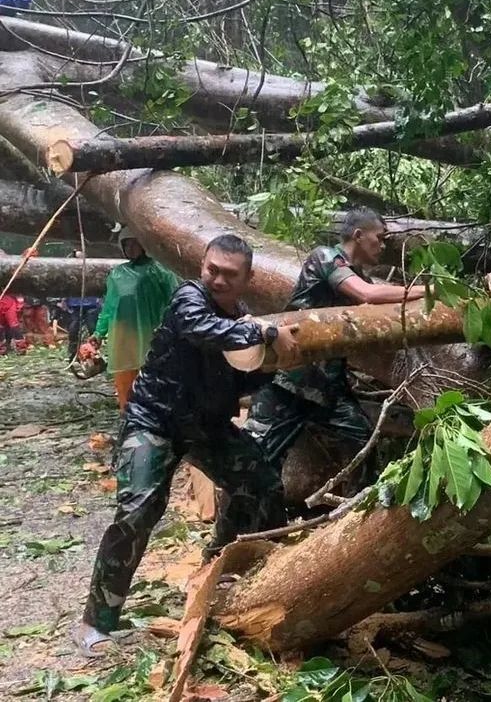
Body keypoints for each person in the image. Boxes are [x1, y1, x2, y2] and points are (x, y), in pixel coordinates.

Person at [73, 234, 299, 657]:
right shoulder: (189, 299)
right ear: (203, 267)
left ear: (247, 278)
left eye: (229, 275)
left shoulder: (242, 319)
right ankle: (96, 621)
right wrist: (266, 329)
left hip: (205, 427)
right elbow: (204, 331)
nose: (217, 279)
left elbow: (242, 377)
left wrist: (276, 363)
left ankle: (222, 565)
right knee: (139, 508)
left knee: (262, 483)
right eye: (212, 269)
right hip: (153, 420)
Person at [245, 208, 424, 479]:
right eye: (380, 237)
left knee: (362, 439)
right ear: (359, 235)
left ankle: (357, 515)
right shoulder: (326, 257)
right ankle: (242, 520)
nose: (383, 245)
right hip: (288, 381)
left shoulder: (358, 275)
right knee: (254, 458)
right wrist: (425, 290)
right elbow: (366, 294)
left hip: (326, 387)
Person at [90, 228, 178, 410]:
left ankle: (153, 416)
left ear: (144, 245)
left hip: (151, 333)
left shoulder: (161, 271)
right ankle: (128, 415)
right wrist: (98, 333)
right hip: (122, 335)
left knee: (153, 376)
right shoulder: (117, 274)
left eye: (134, 243)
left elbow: (175, 301)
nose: (130, 248)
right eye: (126, 244)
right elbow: (109, 307)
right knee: (124, 379)